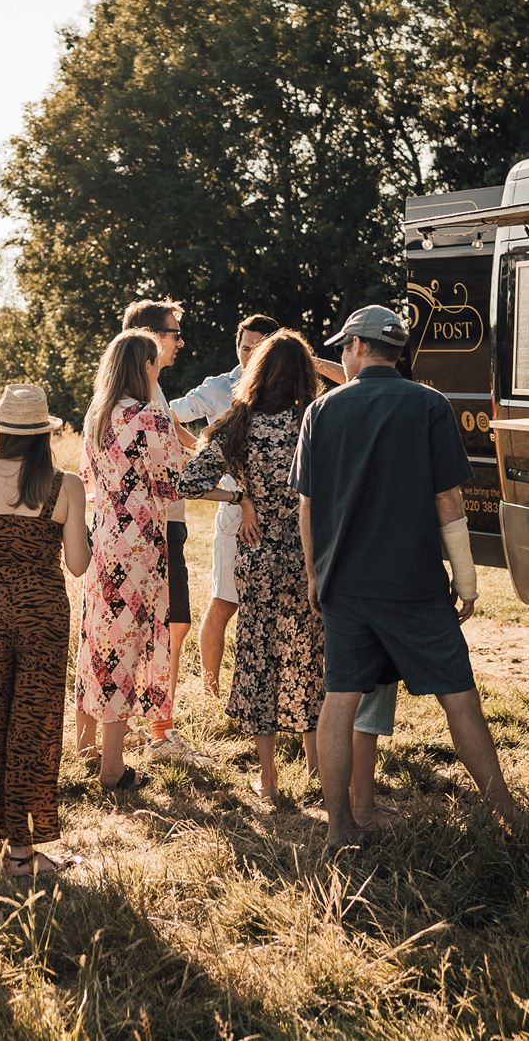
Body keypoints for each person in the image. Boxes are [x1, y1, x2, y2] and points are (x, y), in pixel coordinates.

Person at [295, 306, 524, 849]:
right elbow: (448, 499)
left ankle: (339, 826)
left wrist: (314, 576)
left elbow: (306, 507)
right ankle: (512, 818)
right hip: (414, 583)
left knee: (340, 699)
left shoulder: (322, 411)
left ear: (354, 346)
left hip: (344, 584)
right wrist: (467, 579)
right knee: (459, 699)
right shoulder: (429, 404)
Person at [0, 385, 92, 877]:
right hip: (44, 615)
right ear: (44, 435)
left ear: (2, 433)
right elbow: (77, 564)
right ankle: (22, 853)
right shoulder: (66, 485)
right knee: (34, 727)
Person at [178, 331, 324, 800]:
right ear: (304, 372)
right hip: (310, 554)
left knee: (259, 656)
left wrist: (240, 497)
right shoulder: (314, 421)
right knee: (310, 656)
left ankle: (267, 777)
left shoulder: (237, 421)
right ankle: (319, 768)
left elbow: (189, 481)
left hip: (257, 554)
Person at [75, 329, 190, 791]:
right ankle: (112, 767)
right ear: (144, 366)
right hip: (140, 546)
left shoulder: (95, 417)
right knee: (128, 643)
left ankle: (87, 746)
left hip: (103, 539)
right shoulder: (149, 419)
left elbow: (87, 479)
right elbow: (173, 483)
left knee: (101, 638)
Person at [169, 314, 280, 698]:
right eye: (244, 346)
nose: (249, 354)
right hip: (235, 507)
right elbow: (166, 413)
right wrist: (201, 451)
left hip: (281, 511)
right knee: (225, 600)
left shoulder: (287, 388)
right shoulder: (219, 388)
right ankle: (211, 692)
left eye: (258, 346)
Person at [121, 297, 203, 766]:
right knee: (171, 624)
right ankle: (159, 731)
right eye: (173, 333)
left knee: (166, 623)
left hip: (163, 522)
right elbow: (172, 465)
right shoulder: (145, 394)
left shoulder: (150, 391)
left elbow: (173, 434)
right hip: (157, 525)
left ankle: (145, 725)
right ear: (152, 337)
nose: (179, 341)